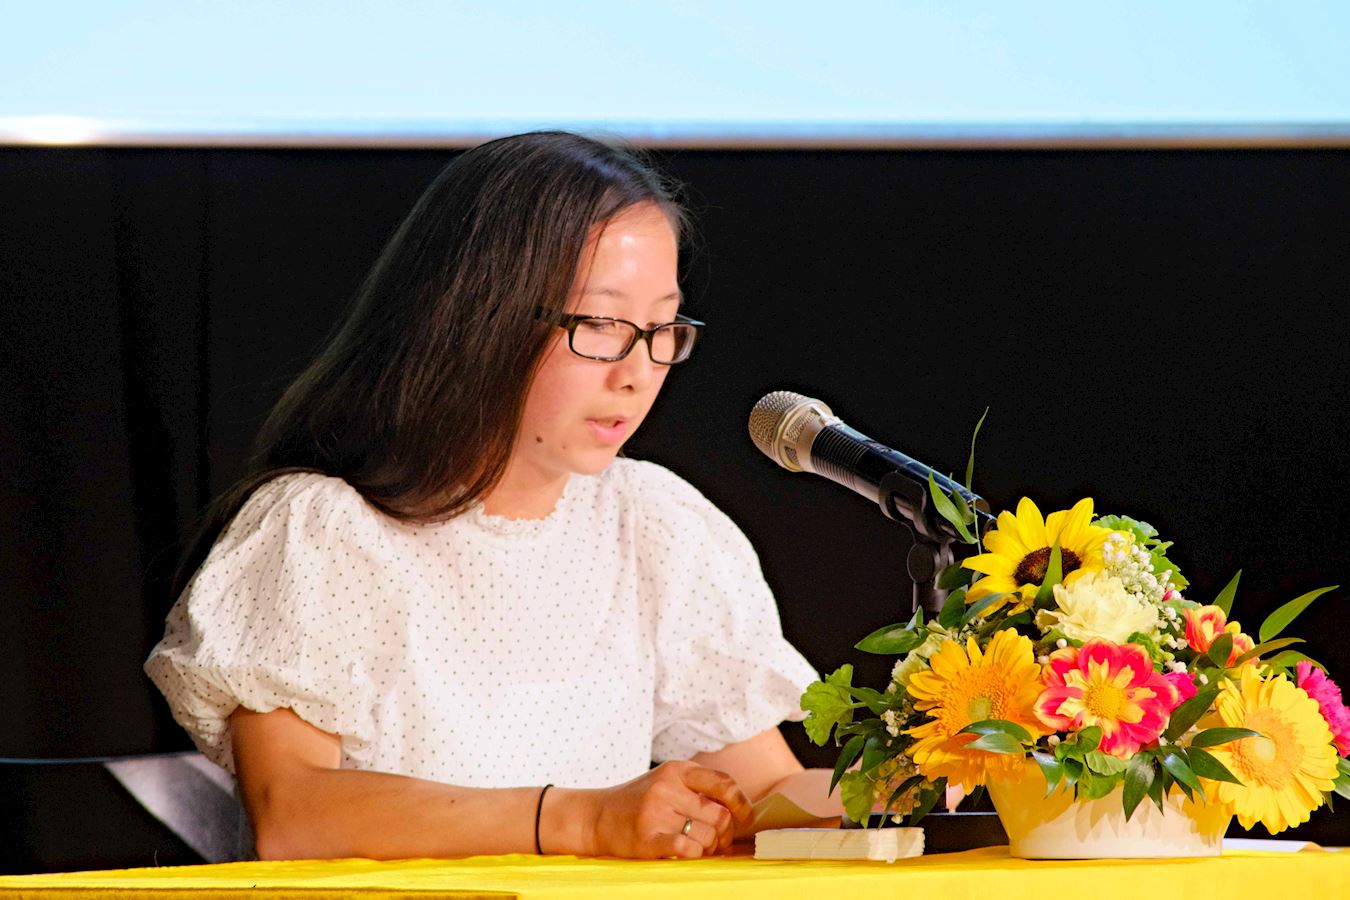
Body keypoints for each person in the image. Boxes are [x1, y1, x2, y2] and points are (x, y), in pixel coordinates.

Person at [145, 131, 833, 862]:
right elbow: (294, 814)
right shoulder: (324, 531)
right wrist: (582, 820)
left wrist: (902, 779)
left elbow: (763, 795)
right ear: (479, 315)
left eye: (662, 328)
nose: (636, 372)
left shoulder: (654, 524)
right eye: (601, 324)